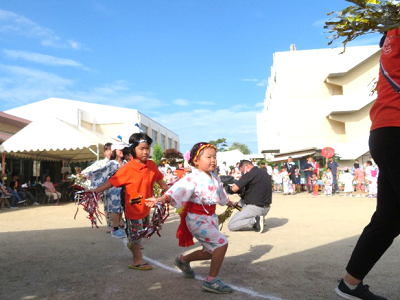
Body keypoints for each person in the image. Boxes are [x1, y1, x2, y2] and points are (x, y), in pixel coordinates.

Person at [335, 29, 400, 300]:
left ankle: (349, 284)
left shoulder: (392, 38)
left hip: (385, 131)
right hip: (396, 129)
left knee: (389, 218)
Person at [146, 142, 236, 294]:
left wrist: (231, 203)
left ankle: (182, 260)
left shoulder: (215, 178)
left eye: (215, 157)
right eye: (209, 157)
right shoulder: (191, 178)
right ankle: (211, 280)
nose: (213, 160)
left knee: (210, 252)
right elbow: (175, 192)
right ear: (196, 161)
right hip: (197, 219)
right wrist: (159, 199)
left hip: (210, 218)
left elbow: (222, 196)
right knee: (221, 243)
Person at [93, 132, 167, 271]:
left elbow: (161, 182)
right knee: (137, 233)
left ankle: (133, 243)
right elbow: (111, 182)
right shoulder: (127, 168)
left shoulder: (151, 165)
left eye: (147, 148)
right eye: (141, 148)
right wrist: (95, 191)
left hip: (146, 206)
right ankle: (137, 260)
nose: (145, 152)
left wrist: (171, 191)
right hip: (133, 207)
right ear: (133, 149)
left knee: (142, 230)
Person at [87, 142, 127, 237]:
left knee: (122, 208)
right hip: (113, 188)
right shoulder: (112, 163)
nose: (122, 152)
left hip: (123, 189)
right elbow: (102, 171)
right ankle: (115, 228)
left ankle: (119, 224)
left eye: (123, 150)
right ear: (115, 151)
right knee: (115, 209)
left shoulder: (126, 163)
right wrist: (91, 175)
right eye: (120, 150)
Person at [227, 159, 272, 233]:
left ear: (246, 166)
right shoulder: (264, 173)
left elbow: (233, 189)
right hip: (266, 208)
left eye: (241, 171)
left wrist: (226, 187)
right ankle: (259, 218)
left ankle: (255, 221)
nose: (242, 173)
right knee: (239, 205)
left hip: (255, 208)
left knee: (232, 225)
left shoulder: (250, 174)